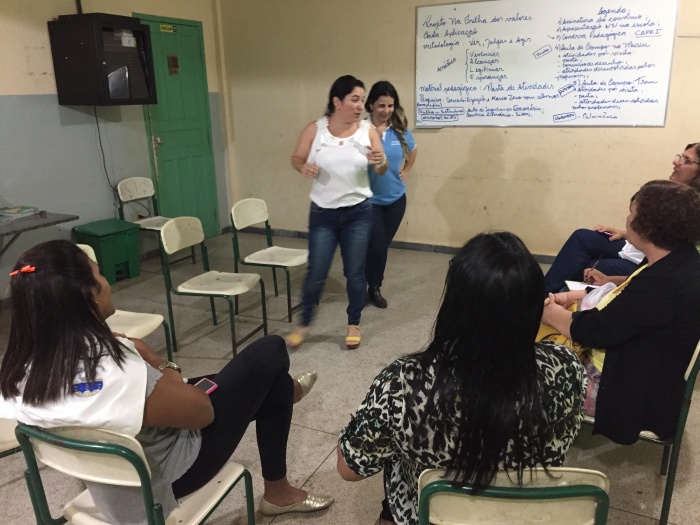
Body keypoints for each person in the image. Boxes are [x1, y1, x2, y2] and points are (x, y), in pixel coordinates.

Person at [0, 240, 334, 524]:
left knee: (260, 381)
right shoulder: (115, 371)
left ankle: (282, 399)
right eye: (99, 274)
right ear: (88, 294)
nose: (107, 282)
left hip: (108, 485)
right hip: (161, 483)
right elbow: (202, 413)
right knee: (269, 352)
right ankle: (281, 453)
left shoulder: (21, 372)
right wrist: (157, 361)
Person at [337, 232, 586, 525]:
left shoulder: (403, 383)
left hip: (431, 515)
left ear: (454, 306)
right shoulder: (566, 367)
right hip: (524, 516)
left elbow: (349, 470)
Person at [542, 180, 700, 445]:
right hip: (645, 372)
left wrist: (549, 313)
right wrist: (574, 296)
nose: (627, 219)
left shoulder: (663, 283)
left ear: (649, 228)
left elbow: (595, 331)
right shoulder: (679, 259)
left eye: (632, 213)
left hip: (622, 391)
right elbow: (626, 298)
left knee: (522, 366)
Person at [286, 75, 387, 350]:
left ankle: (353, 323)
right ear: (337, 101)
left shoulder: (367, 131)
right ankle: (304, 324)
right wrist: (303, 166)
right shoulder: (315, 129)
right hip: (323, 215)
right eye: (355, 99)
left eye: (362, 100)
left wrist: (380, 161)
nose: (360, 106)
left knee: (355, 273)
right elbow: (296, 157)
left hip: (358, 214)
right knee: (316, 272)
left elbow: (381, 168)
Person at [543, 143, 700, 294]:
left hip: (647, 260)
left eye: (686, 160)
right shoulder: (670, 193)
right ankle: (545, 295)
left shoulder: (688, 211)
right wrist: (624, 233)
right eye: (680, 156)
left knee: (593, 267)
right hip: (638, 251)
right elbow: (654, 230)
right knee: (582, 237)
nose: (676, 162)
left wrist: (610, 280)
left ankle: (557, 298)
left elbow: (667, 261)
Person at [364, 81, 418, 309]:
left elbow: (413, 150)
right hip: (369, 201)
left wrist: (406, 170)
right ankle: (368, 286)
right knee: (376, 246)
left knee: (381, 247)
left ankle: (373, 286)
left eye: (390, 105)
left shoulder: (399, 129)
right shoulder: (360, 130)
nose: (386, 110)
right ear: (371, 105)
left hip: (396, 200)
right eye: (381, 105)